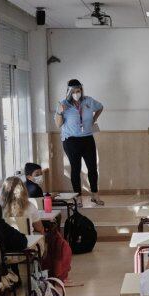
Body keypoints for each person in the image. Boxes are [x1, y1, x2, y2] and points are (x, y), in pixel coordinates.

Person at [55, 78, 105, 206]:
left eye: (79, 91)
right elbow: (58, 124)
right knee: (76, 169)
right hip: (71, 140)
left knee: (92, 168)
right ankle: (78, 198)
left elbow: (100, 107)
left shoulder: (88, 100)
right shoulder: (63, 103)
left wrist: (93, 119)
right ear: (69, 92)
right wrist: (60, 112)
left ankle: (95, 195)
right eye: (74, 91)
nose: (77, 93)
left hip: (87, 138)